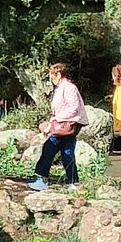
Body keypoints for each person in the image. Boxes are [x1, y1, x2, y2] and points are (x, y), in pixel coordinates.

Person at [28, 63, 89, 191]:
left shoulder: (69, 88)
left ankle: (42, 179)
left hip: (67, 124)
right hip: (65, 124)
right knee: (67, 152)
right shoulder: (61, 88)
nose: (51, 80)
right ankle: (73, 182)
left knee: (49, 148)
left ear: (59, 74)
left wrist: (56, 119)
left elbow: (73, 108)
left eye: (52, 77)